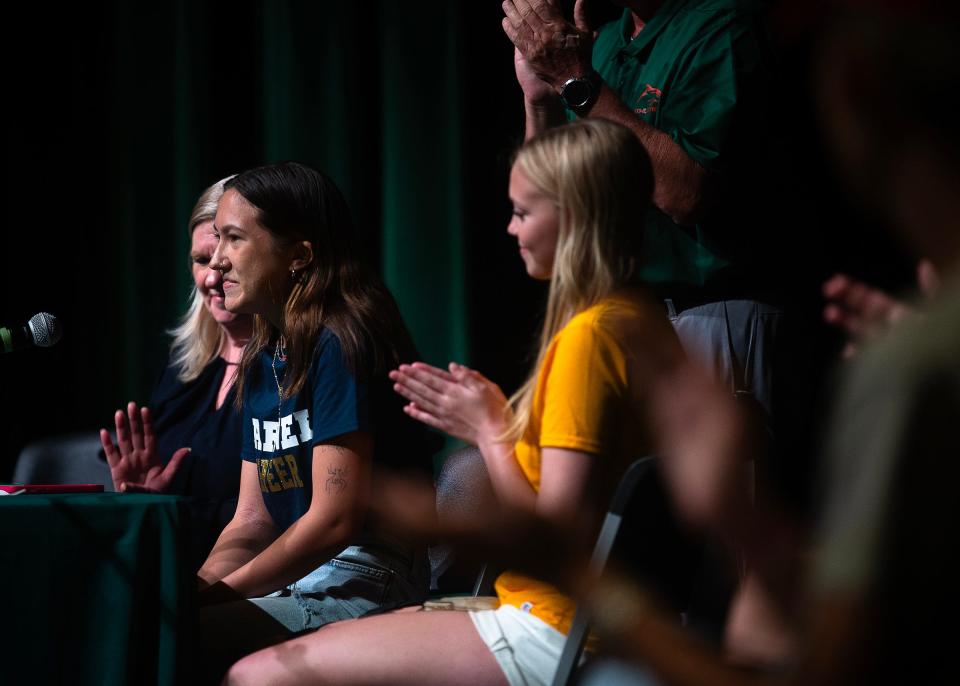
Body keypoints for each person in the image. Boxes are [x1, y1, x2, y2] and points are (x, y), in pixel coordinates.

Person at [223, 119, 685, 686]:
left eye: (522, 212)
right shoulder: (642, 320)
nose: (511, 228)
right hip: (559, 615)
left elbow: (559, 539)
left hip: (551, 625)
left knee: (258, 674)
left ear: (574, 215)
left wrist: (490, 430)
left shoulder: (589, 339)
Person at [195, 161, 438, 680]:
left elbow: (335, 520)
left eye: (234, 239)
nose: (216, 264)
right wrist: (200, 587)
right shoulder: (263, 357)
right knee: (165, 627)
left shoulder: (343, 339)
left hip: (368, 579)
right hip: (300, 578)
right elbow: (252, 520)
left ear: (299, 256)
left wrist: (220, 598)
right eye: (217, 241)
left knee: (182, 642)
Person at [99, 176, 253, 567]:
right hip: (174, 565)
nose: (213, 277)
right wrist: (141, 498)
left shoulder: (290, 367)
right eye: (202, 260)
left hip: (249, 579)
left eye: (226, 260)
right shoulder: (183, 367)